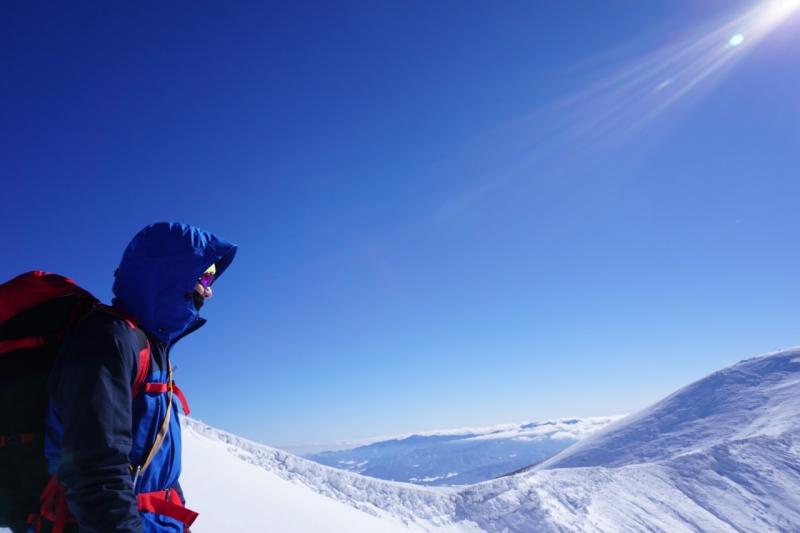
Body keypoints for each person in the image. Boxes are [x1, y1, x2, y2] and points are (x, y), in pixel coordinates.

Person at [39, 222, 236, 532]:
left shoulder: (149, 347)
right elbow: (96, 471)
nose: (209, 290)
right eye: (205, 275)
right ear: (171, 273)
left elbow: (155, 469)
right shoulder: (107, 340)